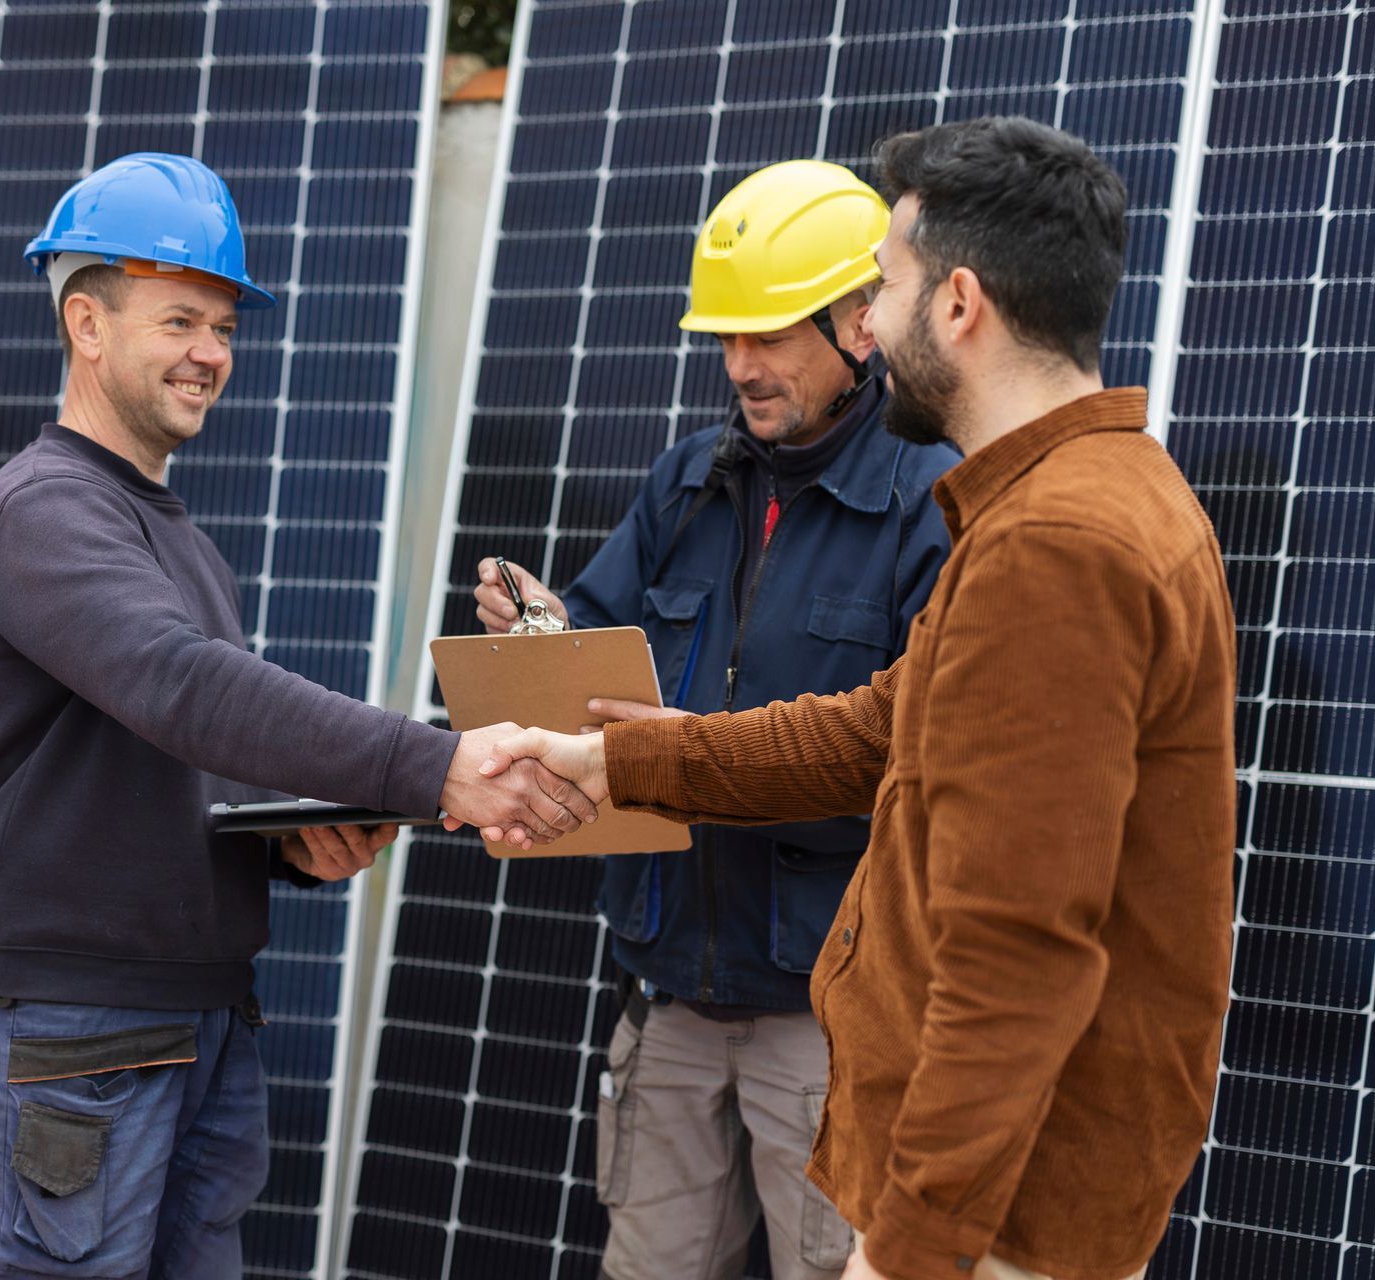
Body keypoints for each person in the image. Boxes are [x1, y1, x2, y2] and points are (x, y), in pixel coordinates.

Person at [478, 117, 1238, 1280]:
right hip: (991, 1186)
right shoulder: (1085, 497)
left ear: (960, 304)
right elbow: (880, 727)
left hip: (996, 1220)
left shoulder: (1057, 546)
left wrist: (910, 1251)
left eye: (885, 287)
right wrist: (616, 763)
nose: (873, 321)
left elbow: (1017, 956)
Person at [0, 153, 596, 1280]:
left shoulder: (178, 539)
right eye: (181, 318)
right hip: (73, 1038)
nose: (212, 353)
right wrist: (431, 764)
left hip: (200, 1023)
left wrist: (287, 845)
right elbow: (179, 685)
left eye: (226, 326)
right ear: (85, 323)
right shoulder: (39, 511)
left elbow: (183, 758)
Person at [471, 160, 956, 1280]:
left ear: (861, 323)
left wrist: (676, 752)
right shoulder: (687, 481)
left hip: (829, 1018)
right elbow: (590, 667)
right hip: (672, 997)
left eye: (771, 332)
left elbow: (914, 759)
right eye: (725, 335)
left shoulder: (932, 503)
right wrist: (541, 635)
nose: (741, 364)